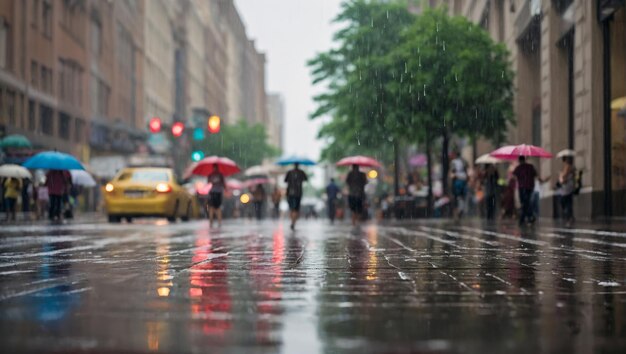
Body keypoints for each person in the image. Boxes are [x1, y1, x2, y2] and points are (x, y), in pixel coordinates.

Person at [512, 156, 548, 226]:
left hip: (522, 188)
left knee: (524, 203)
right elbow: (536, 175)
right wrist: (541, 180)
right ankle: (530, 217)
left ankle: (523, 219)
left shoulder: (518, 168)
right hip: (529, 187)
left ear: (519, 160)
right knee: (526, 203)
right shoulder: (530, 166)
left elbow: (513, 176)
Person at [284, 163, 308, 230]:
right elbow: (306, 179)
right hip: (298, 193)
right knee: (296, 209)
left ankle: (293, 221)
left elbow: (285, 180)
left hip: (290, 193)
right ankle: (293, 222)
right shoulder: (301, 172)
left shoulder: (289, 172)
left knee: (292, 208)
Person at [450, 151, 468, 218]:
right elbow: (466, 169)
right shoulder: (463, 161)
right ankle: (462, 208)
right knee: (463, 196)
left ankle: (459, 209)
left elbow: (453, 172)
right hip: (463, 179)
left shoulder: (453, 162)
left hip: (457, 180)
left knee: (458, 196)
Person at [558, 156, 576, 223]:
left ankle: (569, 217)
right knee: (568, 201)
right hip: (567, 187)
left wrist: (561, 175)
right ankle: (570, 216)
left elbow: (564, 176)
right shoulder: (568, 167)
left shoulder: (568, 166)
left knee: (565, 201)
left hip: (567, 187)